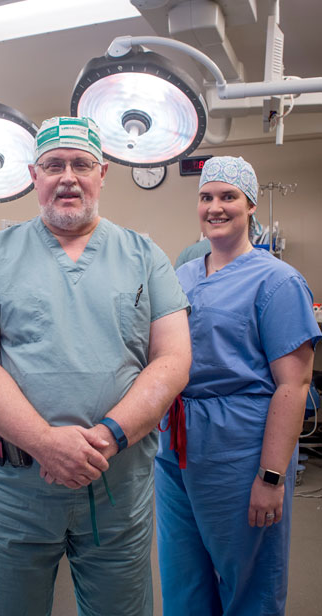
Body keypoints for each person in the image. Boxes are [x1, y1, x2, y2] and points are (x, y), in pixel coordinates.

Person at [0, 116, 191, 616]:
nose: (68, 176)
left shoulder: (144, 256)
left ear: (102, 173)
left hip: (116, 482)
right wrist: (44, 442)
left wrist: (110, 434)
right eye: (53, 165)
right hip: (16, 485)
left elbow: (173, 359)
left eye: (81, 164)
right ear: (34, 176)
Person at [155, 156, 321, 616]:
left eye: (228, 196)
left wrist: (271, 476)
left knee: (248, 579)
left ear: (250, 206)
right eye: (206, 197)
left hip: (240, 447)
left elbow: (295, 382)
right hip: (175, 446)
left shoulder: (278, 280)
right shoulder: (180, 277)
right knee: (182, 576)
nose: (215, 207)